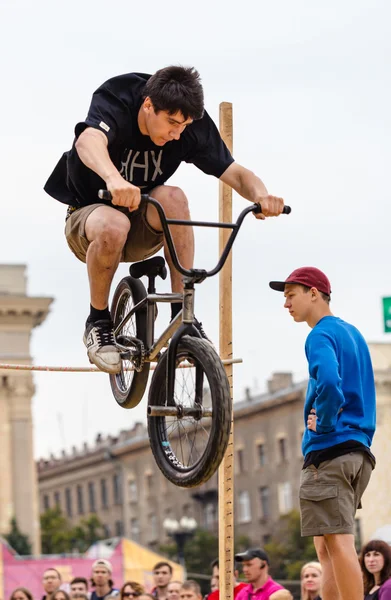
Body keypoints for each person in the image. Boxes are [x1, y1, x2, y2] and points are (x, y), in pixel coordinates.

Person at [44, 65, 285, 374]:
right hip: (89, 221)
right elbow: (87, 141)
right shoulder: (118, 97)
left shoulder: (189, 124)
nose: (176, 134)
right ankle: (98, 322)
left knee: (174, 198)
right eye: (171, 123)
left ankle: (181, 316)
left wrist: (262, 196)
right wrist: (113, 179)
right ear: (148, 106)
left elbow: (235, 173)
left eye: (182, 127)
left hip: (143, 224)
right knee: (114, 224)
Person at [269, 266, 377, 600]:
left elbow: (329, 381)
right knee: (325, 546)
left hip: (330, 449)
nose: (286, 304)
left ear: (313, 293)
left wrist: (327, 421)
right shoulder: (354, 333)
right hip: (357, 451)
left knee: (339, 542)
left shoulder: (319, 334)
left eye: (291, 295)